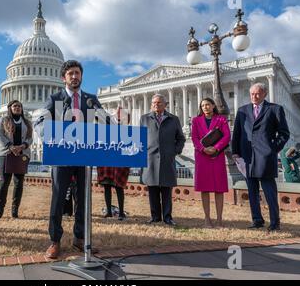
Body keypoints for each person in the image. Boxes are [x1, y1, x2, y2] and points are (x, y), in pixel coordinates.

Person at [36, 60, 102, 259]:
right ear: (63, 77)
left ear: (81, 76)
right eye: (71, 73)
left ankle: (80, 238)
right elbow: (40, 123)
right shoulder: (55, 99)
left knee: (83, 199)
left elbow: (104, 122)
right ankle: (55, 241)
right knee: (58, 199)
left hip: (84, 157)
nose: (75, 76)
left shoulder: (91, 100)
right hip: (62, 157)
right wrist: (50, 136)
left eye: (78, 73)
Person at [232, 82, 290, 232]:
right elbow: (237, 133)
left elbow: (284, 133)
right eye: (252, 94)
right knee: (252, 191)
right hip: (247, 157)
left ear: (264, 94)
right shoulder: (242, 111)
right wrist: (235, 151)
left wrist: (273, 148)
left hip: (265, 157)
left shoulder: (275, 109)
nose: (254, 96)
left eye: (257, 93)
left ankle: (274, 223)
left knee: (269, 191)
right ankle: (257, 220)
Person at [140, 94, 186, 226]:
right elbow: (140, 138)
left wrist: (175, 151)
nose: (156, 105)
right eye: (154, 103)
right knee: (153, 189)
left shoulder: (173, 119)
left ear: (165, 104)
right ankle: (155, 217)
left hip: (167, 158)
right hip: (151, 158)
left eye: (159, 103)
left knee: (166, 190)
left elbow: (181, 138)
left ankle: (167, 217)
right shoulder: (144, 119)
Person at [191, 98, 231, 228]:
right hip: (202, 157)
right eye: (203, 105)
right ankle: (207, 219)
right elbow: (194, 137)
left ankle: (219, 220)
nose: (205, 107)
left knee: (219, 189)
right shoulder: (196, 120)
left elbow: (226, 136)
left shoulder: (221, 119)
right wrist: (203, 149)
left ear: (213, 106)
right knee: (205, 189)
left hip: (217, 156)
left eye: (207, 105)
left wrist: (216, 147)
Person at [0, 100, 33, 220]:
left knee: (18, 183)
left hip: (21, 154)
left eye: (19, 106)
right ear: (10, 108)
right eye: (15, 106)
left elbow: (30, 138)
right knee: (4, 182)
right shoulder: (3, 119)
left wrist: (23, 146)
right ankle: (0, 209)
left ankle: (15, 209)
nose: (17, 108)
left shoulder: (27, 122)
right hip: (5, 154)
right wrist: (10, 146)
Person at [97, 107, 130, 221]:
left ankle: (121, 212)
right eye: (117, 116)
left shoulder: (126, 130)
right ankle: (109, 211)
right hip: (106, 161)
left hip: (119, 161)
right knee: (107, 186)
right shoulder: (105, 129)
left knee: (119, 186)